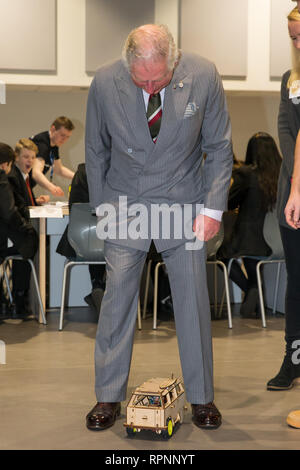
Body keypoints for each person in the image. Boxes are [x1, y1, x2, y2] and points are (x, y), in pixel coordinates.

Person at [85, 24, 232, 431]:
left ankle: (202, 398)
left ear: (175, 58)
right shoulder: (103, 81)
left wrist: (212, 211)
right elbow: (95, 149)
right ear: (127, 64)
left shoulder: (204, 75)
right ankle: (108, 396)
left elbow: (219, 147)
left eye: (158, 79)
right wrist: (102, 208)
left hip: (182, 200)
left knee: (192, 303)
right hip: (125, 201)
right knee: (116, 302)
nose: (149, 87)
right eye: (140, 79)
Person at [266, 5, 300, 391]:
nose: (296, 43)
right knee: (296, 280)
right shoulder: (290, 80)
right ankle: (293, 358)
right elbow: (286, 131)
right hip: (292, 195)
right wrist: (296, 185)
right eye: (291, 37)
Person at [218, 133, 282, 318]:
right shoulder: (284, 176)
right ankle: (255, 292)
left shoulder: (246, 175)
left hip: (250, 242)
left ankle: (251, 289)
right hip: (279, 245)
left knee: (222, 255)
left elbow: (228, 203)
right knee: (253, 257)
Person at [56, 163, 106, 313]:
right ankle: (107, 290)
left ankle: (97, 285)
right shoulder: (123, 170)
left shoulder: (82, 172)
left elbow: (74, 207)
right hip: (114, 242)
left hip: (80, 242)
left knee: (95, 238)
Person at [8, 139, 49, 315]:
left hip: (17, 229)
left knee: (40, 240)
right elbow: (17, 208)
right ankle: (20, 296)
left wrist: (36, 202)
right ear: (16, 157)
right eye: (26, 156)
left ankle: (32, 290)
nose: (30, 161)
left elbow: (23, 203)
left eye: (32, 157)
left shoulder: (23, 177)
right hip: (11, 233)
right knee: (31, 243)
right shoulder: (13, 177)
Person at [0, 143, 39, 317]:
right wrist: (26, 228)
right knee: (29, 242)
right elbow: (9, 212)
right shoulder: (4, 178)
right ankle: (20, 300)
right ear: (6, 163)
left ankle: (6, 301)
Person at [30, 116, 75, 197]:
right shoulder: (42, 143)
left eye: (67, 137)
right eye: (62, 135)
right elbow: (36, 173)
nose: (64, 140)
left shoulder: (54, 146)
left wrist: (77, 177)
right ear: (53, 129)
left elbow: (59, 169)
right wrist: (52, 188)